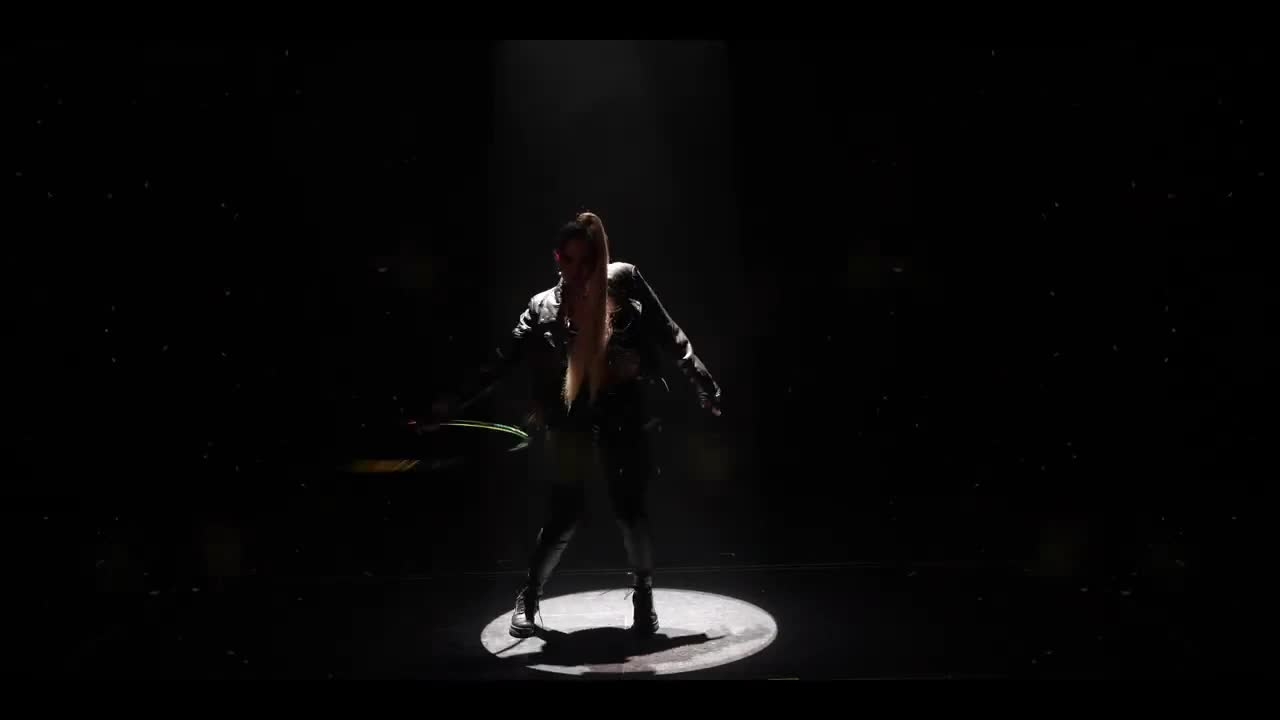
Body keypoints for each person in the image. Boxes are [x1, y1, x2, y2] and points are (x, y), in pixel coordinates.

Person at [426, 211, 722, 638]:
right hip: (571, 418)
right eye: (570, 260)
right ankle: (529, 597)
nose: (580, 271)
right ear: (558, 259)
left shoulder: (624, 280)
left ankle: (643, 597)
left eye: (588, 262)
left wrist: (703, 383)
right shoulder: (542, 307)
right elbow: (502, 361)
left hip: (622, 412)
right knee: (564, 512)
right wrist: (449, 405)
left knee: (629, 510)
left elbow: (669, 333)